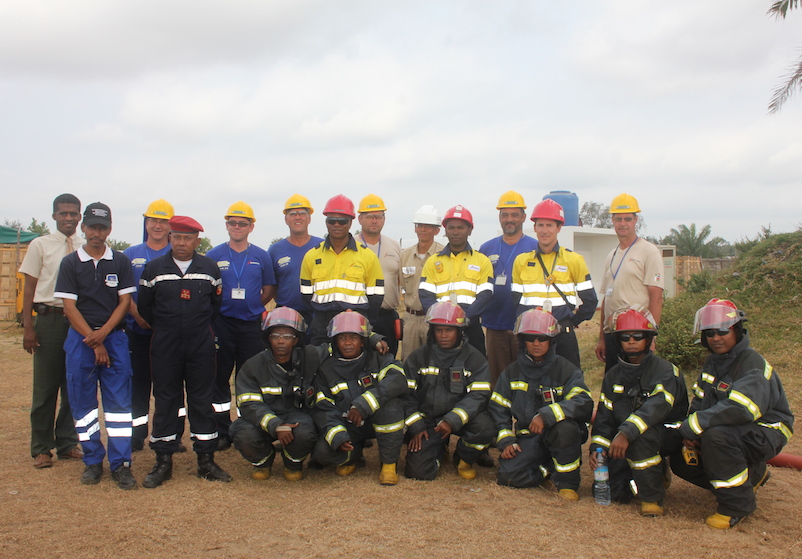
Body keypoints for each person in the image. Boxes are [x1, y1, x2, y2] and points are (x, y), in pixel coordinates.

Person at [670, 299, 793, 529]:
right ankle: (752, 475)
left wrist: (698, 424)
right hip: (733, 429)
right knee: (682, 459)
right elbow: (700, 401)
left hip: (767, 430)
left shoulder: (751, 363)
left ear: (737, 330)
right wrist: (691, 431)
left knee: (717, 437)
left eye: (722, 331)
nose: (716, 338)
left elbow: (742, 409)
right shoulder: (713, 362)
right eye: (710, 333)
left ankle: (737, 506)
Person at [137, 215, 232, 487]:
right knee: (166, 400)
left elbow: (215, 307)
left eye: (187, 238)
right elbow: (145, 308)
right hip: (165, 343)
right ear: (170, 237)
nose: (181, 242)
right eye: (177, 237)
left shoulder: (209, 268)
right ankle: (163, 461)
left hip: (200, 344)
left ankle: (206, 460)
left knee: (202, 400)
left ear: (197, 241)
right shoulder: (154, 269)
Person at [54, 202, 138, 489]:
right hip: (81, 340)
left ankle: (121, 464)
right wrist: (93, 338)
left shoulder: (120, 261)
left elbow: (124, 302)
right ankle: (92, 461)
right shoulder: (70, 263)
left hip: (113, 339)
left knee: (119, 405)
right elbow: (69, 307)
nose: (97, 233)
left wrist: (103, 334)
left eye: (102, 228)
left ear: (109, 230)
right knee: (83, 404)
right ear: (83, 227)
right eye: (92, 227)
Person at [589, 307, 688, 517]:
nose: (631, 341)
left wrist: (626, 433)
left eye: (637, 336)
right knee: (615, 492)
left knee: (643, 438)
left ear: (648, 339)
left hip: (666, 432)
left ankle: (651, 498)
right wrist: (598, 449)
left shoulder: (665, 370)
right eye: (625, 337)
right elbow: (605, 417)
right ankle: (651, 472)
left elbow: (658, 407)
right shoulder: (613, 375)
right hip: (625, 436)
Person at [489, 309, 593, 500]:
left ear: (551, 340)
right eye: (530, 338)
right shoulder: (512, 372)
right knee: (507, 476)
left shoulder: (566, 369)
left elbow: (583, 402)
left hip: (560, 435)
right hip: (528, 438)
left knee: (566, 429)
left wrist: (547, 416)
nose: (536, 343)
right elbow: (498, 408)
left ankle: (567, 484)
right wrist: (506, 440)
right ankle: (549, 468)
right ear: (522, 341)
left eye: (542, 338)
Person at [19, 193, 85, 469]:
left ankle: (67, 443)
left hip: (78, 321)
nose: (68, 218)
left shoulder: (85, 246)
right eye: (63, 213)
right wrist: (28, 326)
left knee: (74, 385)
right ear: (54, 216)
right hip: (50, 319)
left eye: (73, 213)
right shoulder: (40, 245)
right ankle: (41, 447)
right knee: (45, 388)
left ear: (80, 217)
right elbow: (29, 288)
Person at [206, 201, 276, 451]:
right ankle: (222, 430)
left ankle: (249, 426)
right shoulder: (214, 255)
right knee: (219, 377)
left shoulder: (261, 256)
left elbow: (269, 288)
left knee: (250, 377)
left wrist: (253, 305)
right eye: (233, 223)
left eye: (242, 223)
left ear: (251, 227)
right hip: (222, 324)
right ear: (226, 225)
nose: (237, 227)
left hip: (250, 325)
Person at [310, 310, 407, 485]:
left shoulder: (379, 357)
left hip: (377, 419)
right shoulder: (325, 368)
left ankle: (388, 464)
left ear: (363, 341)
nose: (347, 343)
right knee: (322, 454)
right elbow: (323, 407)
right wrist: (338, 435)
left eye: (353, 337)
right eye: (342, 338)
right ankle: (353, 456)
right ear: (335, 341)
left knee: (391, 406)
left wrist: (363, 404)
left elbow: (397, 380)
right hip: (348, 422)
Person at [403, 301, 494, 481]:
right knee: (418, 473)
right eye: (439, 330)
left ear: (460, 331)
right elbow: (406, 395)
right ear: (432, 331)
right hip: (429, 420)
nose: (443, 335)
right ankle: (438, 449)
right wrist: (416, 426)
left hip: (463, 419)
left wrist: (453, 420)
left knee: (485, 427)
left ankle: (463, 458)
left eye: (449, 330)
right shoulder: (418, 357)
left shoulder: (474, 358)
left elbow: (479, 396)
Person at [230, 307, 318, 481]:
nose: (281, 341)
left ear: (296, 339)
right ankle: (263, 460)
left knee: (305, 432)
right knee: (243, 434)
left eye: (287, 336)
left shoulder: (309, 357)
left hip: (295, 417)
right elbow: (249, 404)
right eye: (275, 336)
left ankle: (292, 464)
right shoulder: (252, 366)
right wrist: (276, 425)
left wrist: (372, 339)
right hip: (262, 420)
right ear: (267, 338)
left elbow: (340, 346)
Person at [123, 199, 180, 452]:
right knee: (138, 385)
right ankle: (136, 435)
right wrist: (137, 315)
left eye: (163, 221)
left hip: (170, 333)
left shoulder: (178, 254)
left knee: (169, 385)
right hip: (137, 331)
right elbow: (124, 292)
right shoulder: (130, 254)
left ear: (171, 226)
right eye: (153, 220)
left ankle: (171, 434)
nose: (158, 226)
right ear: (146, 223)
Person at [511, 199, 597, 368]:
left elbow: (590, 300)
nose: (544, 230)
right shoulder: (521, 261)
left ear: (559, 228)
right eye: (541, 225)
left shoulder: (574, 260)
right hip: (531, 335)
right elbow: (516, 300)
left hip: (562, 334)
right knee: (529, 377)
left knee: (568, 377)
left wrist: (571, 322)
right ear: (535, 227)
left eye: (549, 225)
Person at [300, 194, 384, 345]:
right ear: (326, 222)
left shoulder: (367, 257)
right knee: (317, 358)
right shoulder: (311, 256)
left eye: (342, 221)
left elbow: (376, 297)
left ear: (350, 222)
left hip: (355, 324)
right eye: (332, 220)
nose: (336, 225)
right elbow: (306, 295)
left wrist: (363, 321)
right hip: (321, 326)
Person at [595, 194, 664, 372]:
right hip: (613, 334)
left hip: (636, 335)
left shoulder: (649, 252)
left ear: (636, 220)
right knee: (614, 381)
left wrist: (651, 337)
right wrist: (602, 338)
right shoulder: (611, 255)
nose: (623, 223)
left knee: (637, 381)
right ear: (612, 221)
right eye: (618, 219)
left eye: (627, 219)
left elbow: (656, 297)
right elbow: (606, 300)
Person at [479, 191, 538, 385]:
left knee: (526, 376)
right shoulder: (486, 249)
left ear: (523, 217)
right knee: (498, 378)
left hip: (526, 326)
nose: (509, 219)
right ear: (499, 218)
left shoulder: (535, 248)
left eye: (514, 215)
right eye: (504, 215)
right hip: (495, 325)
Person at [419, 205, 494, 356]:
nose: (455, 232)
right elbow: (425, 295)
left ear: (470, 230)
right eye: (451, 228)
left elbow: (485, 296)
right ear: (445, 230)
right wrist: (442, 320)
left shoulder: (482, 261)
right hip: (440, 329)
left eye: (460, 228)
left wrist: (463, 319)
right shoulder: (433, 261)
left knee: (475, 366)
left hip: (470, 327)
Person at [267, 194, 324, 328]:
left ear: (309, 218)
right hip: (285, 313)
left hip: (318, 314)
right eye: (293, 214)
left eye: (302, 213)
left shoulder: (322, 247)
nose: (297, 217)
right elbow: (271, 286)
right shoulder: (275, 250)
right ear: (286, 219)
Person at [357, 194, 402, 357]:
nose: (374, 221)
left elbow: (400, 281)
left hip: (387, 317)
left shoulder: (394, 246)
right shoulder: (352, 246)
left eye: (378, 217)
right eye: (369, 217)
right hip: (360, 316)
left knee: (388, 360)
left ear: (384, 219)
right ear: (360, 219)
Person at [400, 205, 444, 359]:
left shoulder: (444, 255)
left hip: (434, 319)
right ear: (415, 228)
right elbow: (402, 284)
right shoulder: (405, 255)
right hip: (411, 319)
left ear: (436, 231)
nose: (423, 229)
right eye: (419, 225)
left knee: (435, 360)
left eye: (428, 226)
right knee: (410, 361)